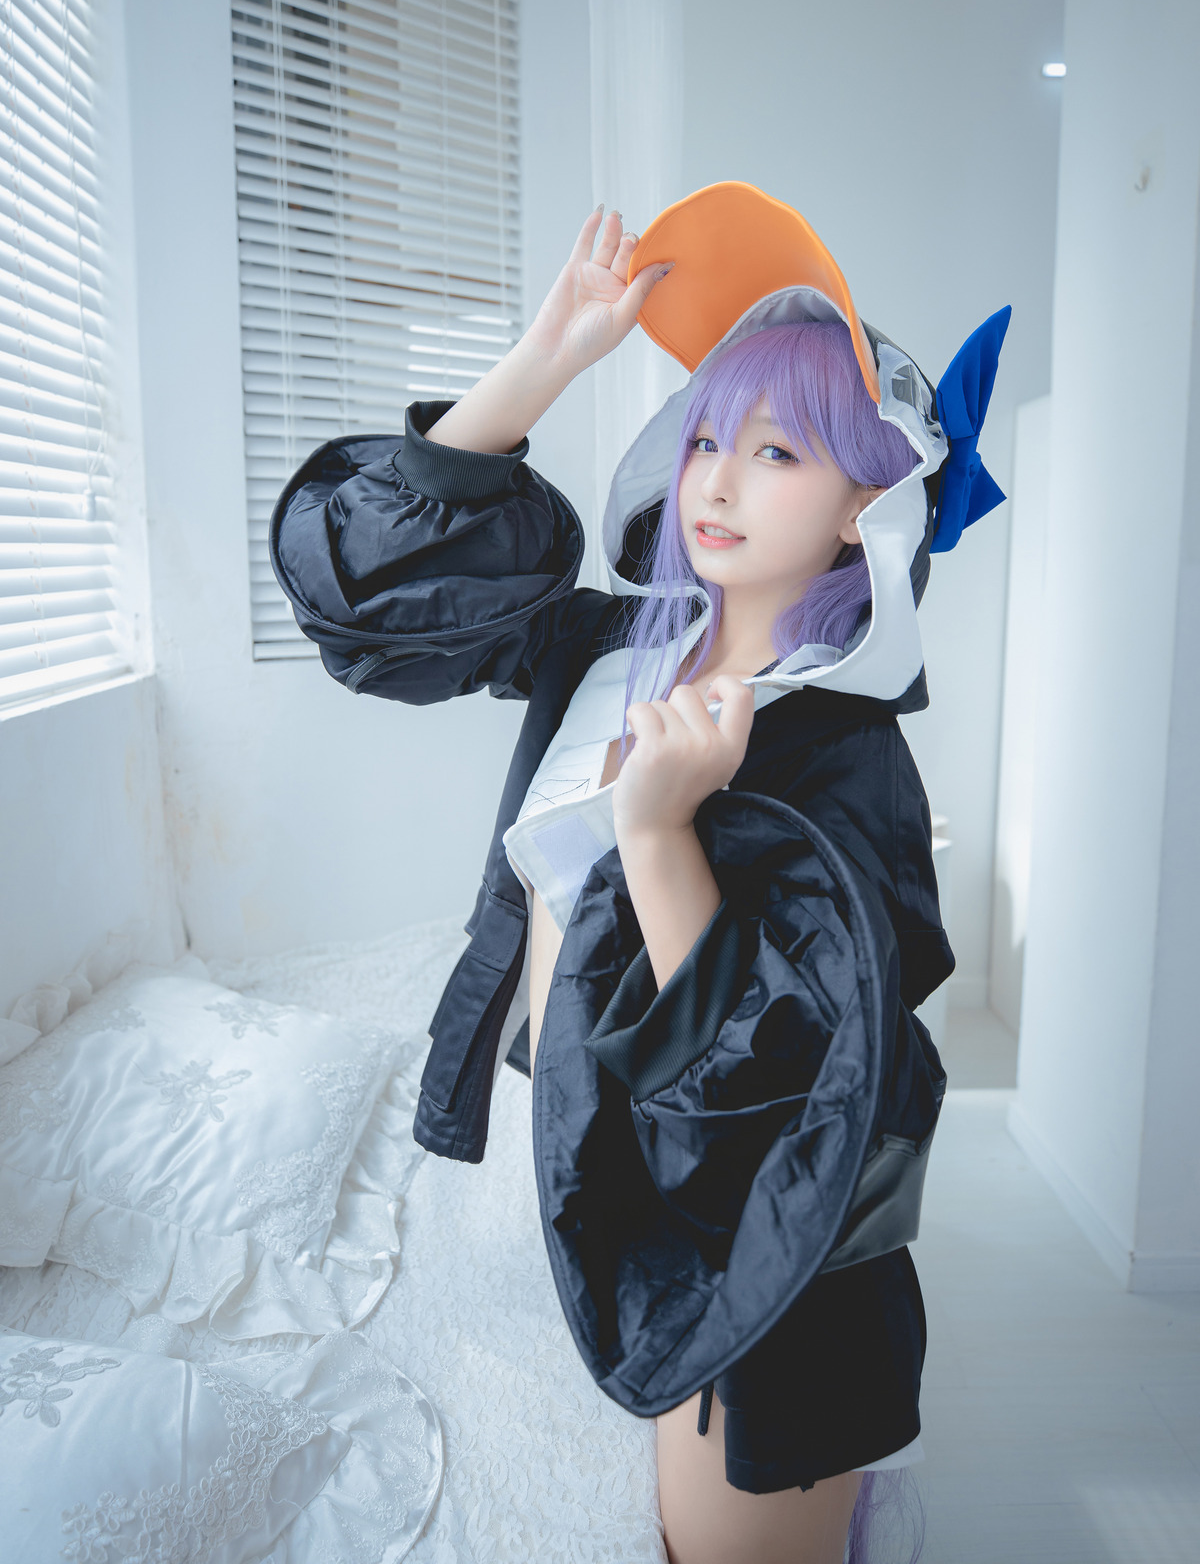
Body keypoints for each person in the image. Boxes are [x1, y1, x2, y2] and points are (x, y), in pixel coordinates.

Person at [270, 182, 1008, 1564]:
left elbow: (800, 1089)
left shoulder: (850, 753)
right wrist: (545, 355)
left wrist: (662, 836)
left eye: (778, 452)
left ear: (868, 502)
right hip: (594, 1186)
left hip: (762, 1266)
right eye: (708, 436)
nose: (715, 482)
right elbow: (369, 610)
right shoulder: (609, 651)